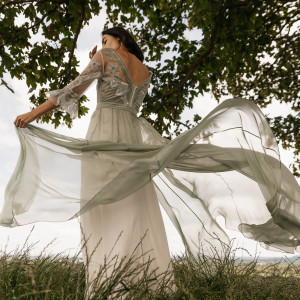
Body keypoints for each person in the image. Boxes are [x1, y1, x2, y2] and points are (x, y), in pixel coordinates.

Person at [1, 26, 300, 297]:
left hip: (105, 134)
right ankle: (145, 283)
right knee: (134, 208)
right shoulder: (145, 71)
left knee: (101, 207)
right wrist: (99, 58)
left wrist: (31, 114)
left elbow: (72, 91)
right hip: (130, 137)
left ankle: (109, 288)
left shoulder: (106, 55)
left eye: (105, 39)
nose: (101, 45)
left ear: (118, 39)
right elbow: (120, 87)